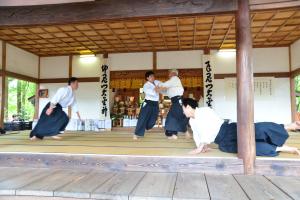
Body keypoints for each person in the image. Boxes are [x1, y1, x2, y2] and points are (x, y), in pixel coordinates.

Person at [182, 97, 300, 156]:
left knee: (257, 129)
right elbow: (198, 135)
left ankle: (289, 126)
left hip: (228, 130)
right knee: (248, 150)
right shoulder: (192, 121)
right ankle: (284, 148)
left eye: (183, 109)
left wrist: (202, 145)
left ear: (187, 106)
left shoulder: (205, 111)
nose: (183, 112)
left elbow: (208, 130)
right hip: (222, 142)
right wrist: (201, 146)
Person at [156, 69, 190, 140]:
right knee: (171, 117)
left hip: (178, 101)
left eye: (169, 73)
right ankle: (173, 134)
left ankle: (186, 131)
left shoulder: (175, 79)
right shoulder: (173, 83)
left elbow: (166, 84)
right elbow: (166, 92)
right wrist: (159, 90)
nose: (168, 75)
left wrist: (159, 85)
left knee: (178, 116)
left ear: (173, 73)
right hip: (175, 102)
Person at [133, 71, 160, 140]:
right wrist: (158, 89)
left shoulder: (156, 82)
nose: (153, 77)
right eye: (151, 76)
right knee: (142, 118)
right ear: (147, 78)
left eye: (153, 76)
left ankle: (147, 127)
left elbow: (163, 86)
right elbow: (153, 93)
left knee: (153, 119)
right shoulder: (146, 85)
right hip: (148, 103)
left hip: (155, 103)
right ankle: (136, 134)